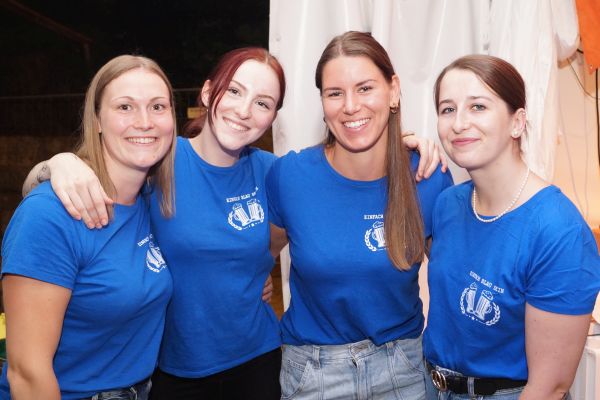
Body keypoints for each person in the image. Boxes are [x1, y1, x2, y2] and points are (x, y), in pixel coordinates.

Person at [23, 46, 445, 399]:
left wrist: (404, 143)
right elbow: (97, 175)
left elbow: (284, 239)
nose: (244, 111)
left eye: (262, 103)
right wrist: (56, 165)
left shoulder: (273, 172)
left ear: (273, 117)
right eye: (235, 91)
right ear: (208, 92)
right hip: (175, 369)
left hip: (260, 360)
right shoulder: (161, 160)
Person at [266, 31, 453, 400]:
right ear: (322, 102)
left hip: (404, 371)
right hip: (314, 375)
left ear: (393, 91)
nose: (350, 106)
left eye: (365, 88)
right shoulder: (291, 177)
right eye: (335, 93)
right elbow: (254, 261)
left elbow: (458, 279)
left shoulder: (427, 178)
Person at [422, 54, 600, 399]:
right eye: (448, 109)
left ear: (517, 123)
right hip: (433, 385)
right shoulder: (448, 204)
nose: (459, 123)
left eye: (478, 107)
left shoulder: (558, 231)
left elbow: (549, 387)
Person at [0, 54, 177, 399]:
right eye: (125, 107)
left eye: (158, 106)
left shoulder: (150, 197)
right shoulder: (50, 215)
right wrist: (58, 163)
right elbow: (27, 374)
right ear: (96, 120)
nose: (144, 122)